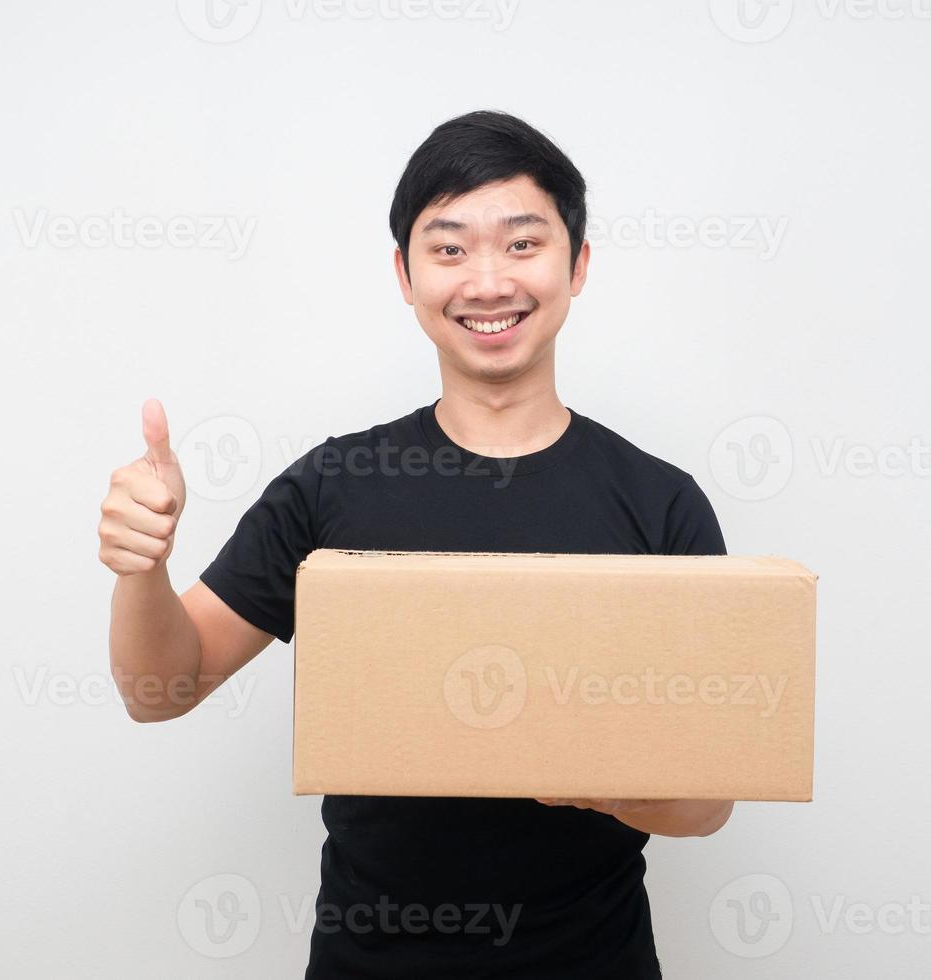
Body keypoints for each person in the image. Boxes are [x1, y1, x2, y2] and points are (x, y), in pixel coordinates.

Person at [97, 109, 733, 979]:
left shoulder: (659, 505)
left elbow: (709, 802)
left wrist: (591, 777)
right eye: (448, 248)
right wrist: (144, 568)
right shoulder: (333, 486)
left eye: (521, 244)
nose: (486, 280)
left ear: (576, 265)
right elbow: (160, 691)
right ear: (404, 274)